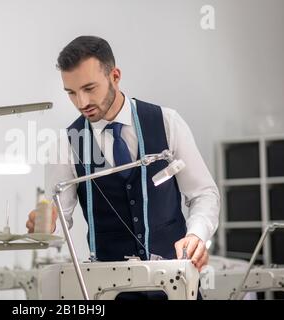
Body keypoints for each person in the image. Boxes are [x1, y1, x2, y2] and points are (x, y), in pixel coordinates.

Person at [26, 36, 219, 296]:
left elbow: (203, 193)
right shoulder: (66, 143)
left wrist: (196, 235)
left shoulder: (166, 122)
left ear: (115, 76)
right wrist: (46, 226)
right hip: (106, 291)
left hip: (177, 285)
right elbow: (61, 219)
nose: (81, 102)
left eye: (89, 88)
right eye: (71, 93)